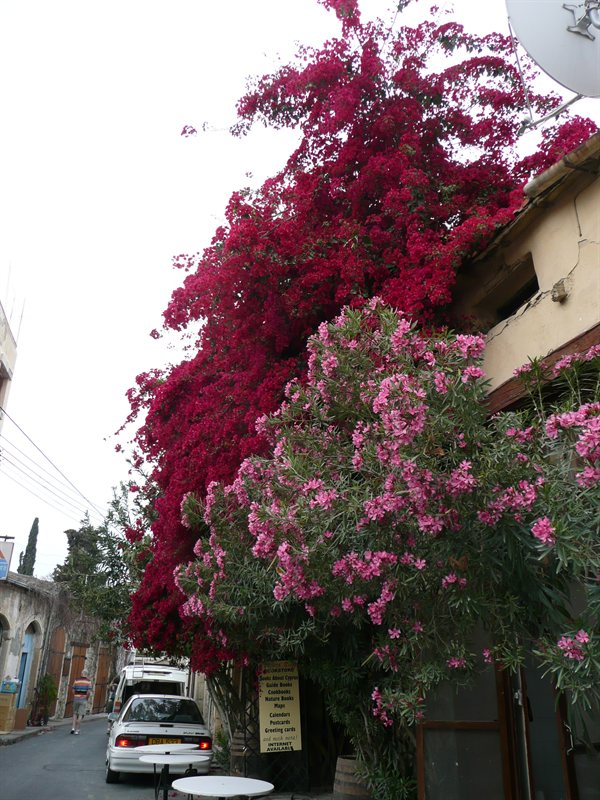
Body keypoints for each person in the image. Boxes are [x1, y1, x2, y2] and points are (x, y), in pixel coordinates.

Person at [71, 668, 93, 735]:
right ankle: (77, 730)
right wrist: (86, 698)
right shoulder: (88, 682)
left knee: (75, 714)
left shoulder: (76, 680)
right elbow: (89, 692)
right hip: (83, 700)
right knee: (80, 715)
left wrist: (76, 695)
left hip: (76, 699)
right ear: (87, 674)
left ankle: (73, 728)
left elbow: (73, 690)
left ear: (81, 673)